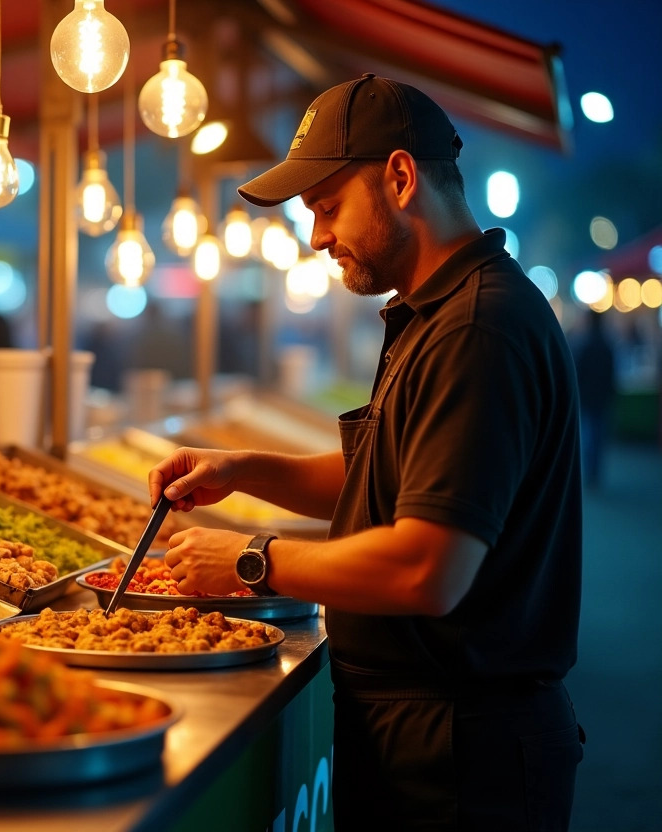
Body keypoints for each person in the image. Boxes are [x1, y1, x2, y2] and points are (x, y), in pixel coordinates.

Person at [148, 74, 583, 829]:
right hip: (422, 728)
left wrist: (253, 558)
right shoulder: (431, 311)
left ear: (401, 177)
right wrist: (243, 469)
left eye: (326, 208)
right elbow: (386, 477)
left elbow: (427, 567)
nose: (316, 237)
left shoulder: (478, 329)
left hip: (463, 751)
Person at [571, 308, 617, 489]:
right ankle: (595, 473)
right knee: (598, 437)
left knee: (588, 436)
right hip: (602, 398)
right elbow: (612, 374)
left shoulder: (585, 344)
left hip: (588, 398)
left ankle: (590, 473)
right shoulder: (607, 345)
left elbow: (578, 373)